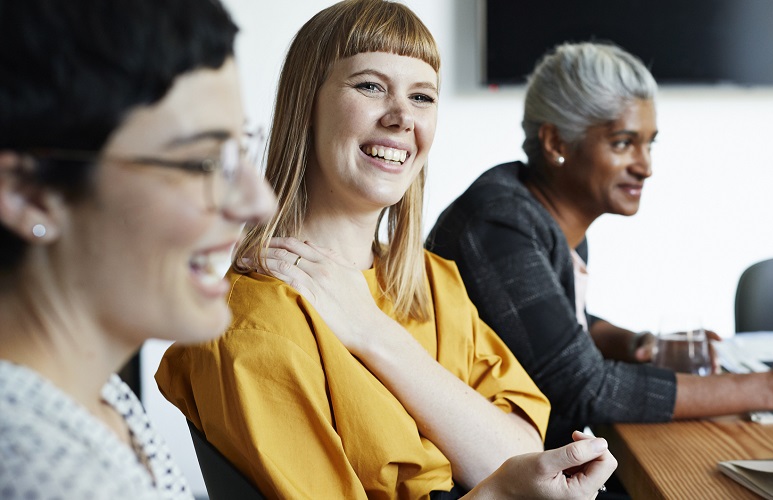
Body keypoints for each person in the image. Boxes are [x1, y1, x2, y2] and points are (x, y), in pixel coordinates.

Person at [155, 1, 615, 498]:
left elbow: (522, 453)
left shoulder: (436, 282)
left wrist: (374, 333)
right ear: (305, 104)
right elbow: (515, 480)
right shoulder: (251, 324)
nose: (401, 118)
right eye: (370, 86)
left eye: (422, 96)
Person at [426, 42, 773, 450]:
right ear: (556, 143)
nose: (645, 166)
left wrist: (638, 344)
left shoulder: (541, 215)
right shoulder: (499, 224)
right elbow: (583, 388)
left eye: (649, 143)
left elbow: (554, 329)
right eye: (623, 143)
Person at [0, 0, 277, 497]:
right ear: (30, 194)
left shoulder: (97, 397)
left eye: (240, 151)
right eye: (200, 164)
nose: (260, 202)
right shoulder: (40, 472)